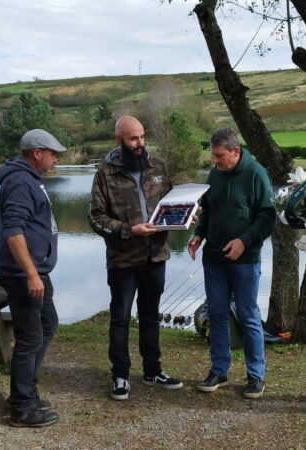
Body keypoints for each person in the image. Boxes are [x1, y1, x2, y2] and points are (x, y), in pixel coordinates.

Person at [88, 115, 184, 401]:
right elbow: (95, 218)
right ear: (119, 140)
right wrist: (129, 230)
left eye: (142, 137)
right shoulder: (105, 173)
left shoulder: (157, 167)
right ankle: (120, 375)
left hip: (156, 256)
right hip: (123, 260)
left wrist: (186, 213)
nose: (140, 144)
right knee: (120, 318)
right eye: (133, 139)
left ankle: (153, 370)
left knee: (151, 316)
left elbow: (172, 203)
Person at [187, 128, 276, 399]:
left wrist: (243, 241)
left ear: (236, 152)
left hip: (245, 260)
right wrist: (198, 235)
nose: (215, 161)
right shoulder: (215, 174)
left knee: (249, 316)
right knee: (217, 314)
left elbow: (267, 216)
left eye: (220, 156)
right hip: (213, 259)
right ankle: (219, 371)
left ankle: (255, 375)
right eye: (213, 155)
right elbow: (208, 210)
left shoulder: (256, 174)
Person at [0, 129, 65, 428]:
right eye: (52, 153)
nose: (56, 158)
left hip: (34, 271)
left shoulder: (29, 178)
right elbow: (13, 232)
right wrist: (32, 274)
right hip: (23, 274)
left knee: (47, 325)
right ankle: (21, 408)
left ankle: (27, 392)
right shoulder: (21, 181)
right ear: (37, 153)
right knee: (30, 337)